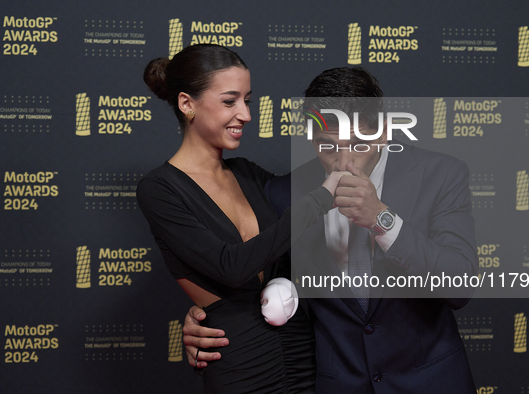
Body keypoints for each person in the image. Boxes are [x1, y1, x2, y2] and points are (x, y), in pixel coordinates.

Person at [183, 66, 479, 393]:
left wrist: (382, 219)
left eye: (357, 143)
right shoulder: (284, 195)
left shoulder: (441, 175)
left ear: (382, 132)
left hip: (430, 382)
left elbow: (459, 285)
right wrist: (208, 320)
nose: (342, 162)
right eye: (327, 146)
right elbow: (264, 286)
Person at [136, 44, 346, 393]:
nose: (246, 115)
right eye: (230, 101)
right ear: (187, 103)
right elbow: (230, 267)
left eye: (247, 100)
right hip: (240, 366)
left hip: (304, 355)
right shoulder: (159, 189)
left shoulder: (248, 174)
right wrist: (321, 199)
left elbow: (305, 233)